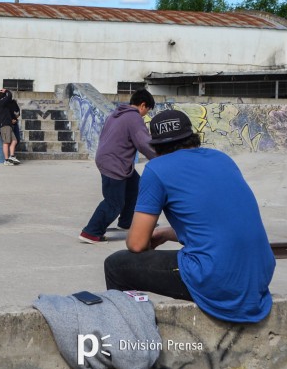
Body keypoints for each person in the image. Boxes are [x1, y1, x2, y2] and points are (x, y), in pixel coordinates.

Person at [103, 109, 276, 323]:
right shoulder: (222, 159)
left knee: (117, 265)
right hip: (260, 275)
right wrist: (168, 233)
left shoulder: (157, 168)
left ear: (155, 146)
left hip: (217, 278)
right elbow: (217, 223)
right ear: (192, 137)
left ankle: (130, 338)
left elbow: (137, 243)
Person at [79, 89, 157, 244]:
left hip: (109, 159)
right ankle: (91, 232)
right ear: (143, 105)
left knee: (135, 186)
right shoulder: (134, 118)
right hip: (115, 163)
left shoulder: (116, 114)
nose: (145, 114)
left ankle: (126, 222)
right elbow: (144, 143)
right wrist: (160, 159)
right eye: (147, 111)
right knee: (114, 202)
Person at [0, 88, 20, 165]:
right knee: (6, 142)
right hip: (4, 125)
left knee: (14, 141)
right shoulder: (0, 103)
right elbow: (9, 96)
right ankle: (6, 160)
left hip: (8, 125)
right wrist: (7, 91)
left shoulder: (4, 106)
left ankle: (12, 156)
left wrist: (13, 120)